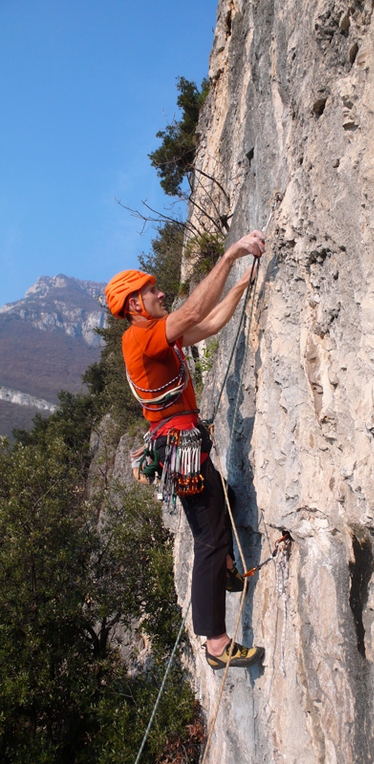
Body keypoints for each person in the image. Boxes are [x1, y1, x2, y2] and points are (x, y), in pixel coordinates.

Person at [105, 230, 266, 670]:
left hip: (183, 443)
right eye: (151, 291)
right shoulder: (141, 339)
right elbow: (195, 309)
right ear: (135, 304)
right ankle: (216, 643)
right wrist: (232, 253)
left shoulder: (160, 336)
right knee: (210, 538)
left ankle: (229, 568)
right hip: (180, 445)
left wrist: (238, 286)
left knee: (221, 504)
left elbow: (209, 323)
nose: (160, 294)